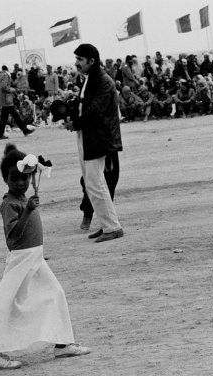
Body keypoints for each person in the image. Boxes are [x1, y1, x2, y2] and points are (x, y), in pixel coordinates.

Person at [0, 145, 91, 369]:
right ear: (5, 180)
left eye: (24, 178)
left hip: (35, 258)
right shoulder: (10, 205)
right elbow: (12, 240)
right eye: (14, 179)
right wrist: (27, 211)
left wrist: (28, 207)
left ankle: (63, 344)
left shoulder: (23, 200)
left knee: (55, 293)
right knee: (4, 303)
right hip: (21, 259)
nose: (20, 183)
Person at [66, 44, 124, 243]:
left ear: (92, 61)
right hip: (89, 135)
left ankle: (112, 227)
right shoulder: (90, 79)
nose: (76, 63)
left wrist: (76, 123)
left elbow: (95, 111)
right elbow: (85, 107)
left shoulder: (104, 82)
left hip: (100, 137)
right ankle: (107, 224)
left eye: (80, 60)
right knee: (93, 183)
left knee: (95, 182)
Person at [0, 66, 34, 140]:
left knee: (9, 117)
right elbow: (4, 87)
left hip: (3, 100)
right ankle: (24, 130)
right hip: (7, 100)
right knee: (13, 116)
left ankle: (24, 130)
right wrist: (13, 90)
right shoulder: (5, 75)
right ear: (7, 69)